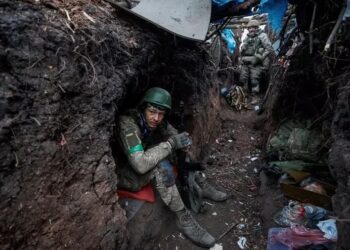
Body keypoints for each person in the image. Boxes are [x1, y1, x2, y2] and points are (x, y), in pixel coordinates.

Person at [115, 87, 228, 247]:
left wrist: (182, 143)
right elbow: (139, 164)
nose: (156, 118)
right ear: (143, 107)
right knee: (162, 167)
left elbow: (174, 135)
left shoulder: (157, 120)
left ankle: (201, 183)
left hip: (141, 156)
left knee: (178, 149)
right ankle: (184, 219)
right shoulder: (128, 124)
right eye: (152, 112)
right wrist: (171, 144)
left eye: (161, 114)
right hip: (124, 170)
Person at [239, 19, 273, 96]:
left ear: (257, 27)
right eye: (249, 28)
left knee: (255, 79)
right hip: (245, 60)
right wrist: (242, 50)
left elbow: (268, 48)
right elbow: (242, 49)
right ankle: (244, 95)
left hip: (256, 61)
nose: (251, 29)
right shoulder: (246, 38)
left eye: (253, 27)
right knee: (242, 79)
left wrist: (260, 58)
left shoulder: (262, 36)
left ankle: (255, 96)